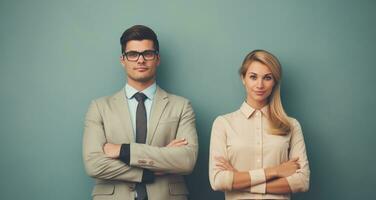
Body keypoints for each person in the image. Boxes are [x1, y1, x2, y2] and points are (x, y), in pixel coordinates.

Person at [83, 25, 198, 200]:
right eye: (133, 54)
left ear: (157, 59)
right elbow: (94, 164)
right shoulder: (99, 107)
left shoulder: (181, 106)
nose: (140, 60)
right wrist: (148, 172)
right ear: (123, 60)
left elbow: (186, 160)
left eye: (148, 54)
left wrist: (123, 151)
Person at [209, 49, 310, 199]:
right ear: (243, 78)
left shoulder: (291, 125)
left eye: (267, 78)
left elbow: (302, 182)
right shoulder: (223, 124)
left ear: (275, 81)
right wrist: (275, 171)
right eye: (253, 77)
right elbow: (218, 180)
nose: (260, 85)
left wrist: (238, 179)